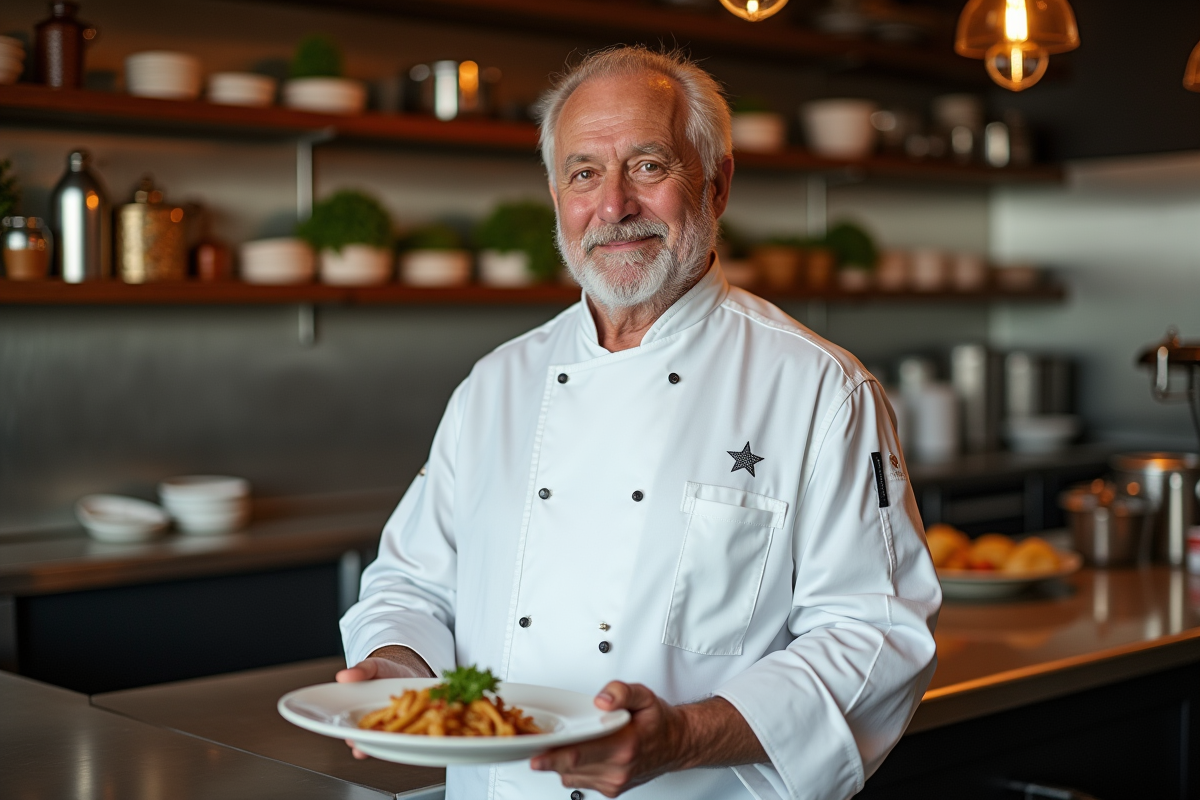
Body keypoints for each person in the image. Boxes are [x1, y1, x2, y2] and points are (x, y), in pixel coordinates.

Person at [337, 46, 940, 800]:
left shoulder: (820, 389)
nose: (614, 206)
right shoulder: (495, 385)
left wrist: (686, 735)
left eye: (648, 166)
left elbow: (876, 637)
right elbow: (412, 582)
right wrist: (396, 666)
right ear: (556, 195)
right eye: (584, 173)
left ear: (716, 183)